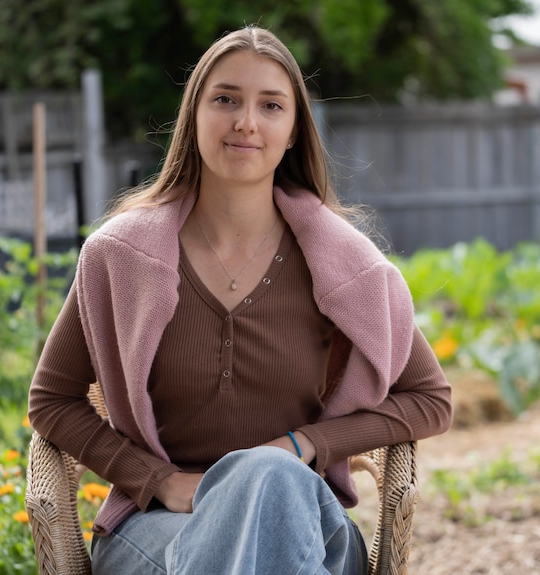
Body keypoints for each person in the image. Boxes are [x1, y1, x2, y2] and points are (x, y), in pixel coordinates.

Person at [28, 24, 453, 575]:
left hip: (306, 517)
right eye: (225, 99)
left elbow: (431, 399)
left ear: (295, 129)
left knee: (270, 478)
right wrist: (157, 481)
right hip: (161, 529)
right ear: (195, 114)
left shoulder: (345, 267)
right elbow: (51, 401)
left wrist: (302, 446)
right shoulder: (120, 256)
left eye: (271, 105)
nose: (246, 122)